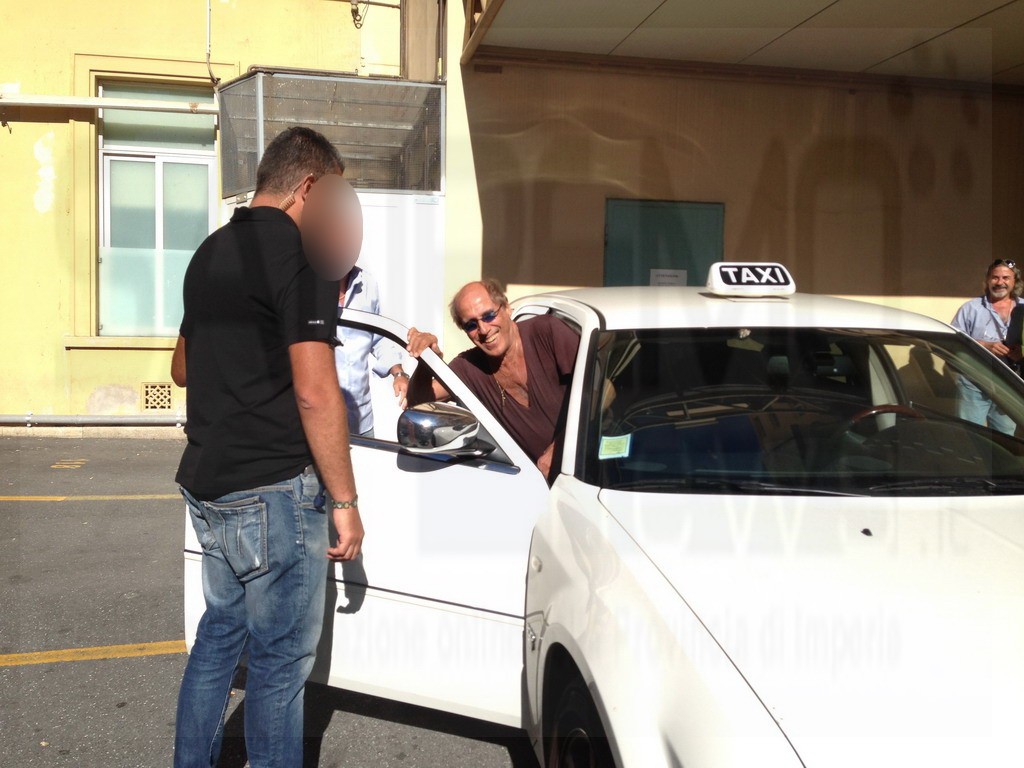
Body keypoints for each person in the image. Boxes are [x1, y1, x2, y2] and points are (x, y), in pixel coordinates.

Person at [170, 126, 363, 768]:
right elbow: (316, 392)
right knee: (280, 663)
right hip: (274, 488)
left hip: (208, 483)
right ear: (308, 186)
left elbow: (182, 369)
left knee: (217, 642)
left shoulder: (209, 251)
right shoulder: (304, 256)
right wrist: (345, 500)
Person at [405, 279, 579, 479]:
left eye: (489, 316)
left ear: (506, 307)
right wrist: (426, 361)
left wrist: (560, 448)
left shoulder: (546, 332)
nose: (484, 330)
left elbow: (603, 393)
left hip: (593, 475)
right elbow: (417, 403)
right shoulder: (469, 367)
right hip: (537, 486)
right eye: (471, 325)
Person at [950, 258, 1023, 434]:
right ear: (988, 280)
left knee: (1005, 438)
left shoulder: (1023, 308)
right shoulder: (970, 308)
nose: (1000, 282)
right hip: (975, 382)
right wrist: (984, 345)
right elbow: (953, 344)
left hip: (1009, 384)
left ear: (1015, 281)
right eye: (995, 277)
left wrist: (1021, 354)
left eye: (1006, 278)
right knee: (970, 435)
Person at [336, 265, 409, 437]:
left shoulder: (367, 283)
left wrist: (398, 373)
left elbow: (378, 336)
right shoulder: (306, 285)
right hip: (320, 421)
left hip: (361, 420)